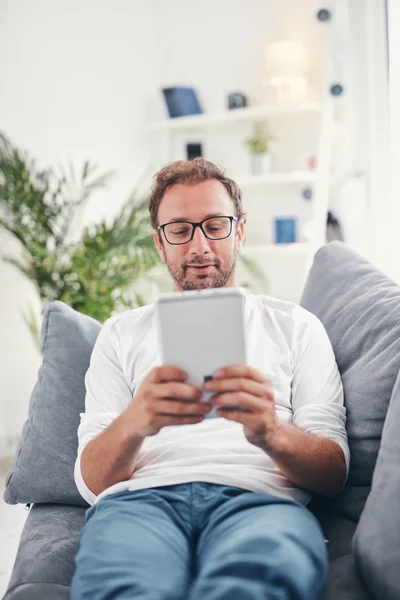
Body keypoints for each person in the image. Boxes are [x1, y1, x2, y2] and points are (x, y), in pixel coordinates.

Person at [70, 158, 349, 600]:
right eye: (180, 230)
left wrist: (271, 432)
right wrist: (135, 422)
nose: (199, 245)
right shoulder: (120, 333)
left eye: (215, 225)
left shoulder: (297, 327)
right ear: (160, 244)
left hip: (261, 502)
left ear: (238, 231)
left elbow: (334, 474)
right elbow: (90, 482)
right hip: (140, 504)